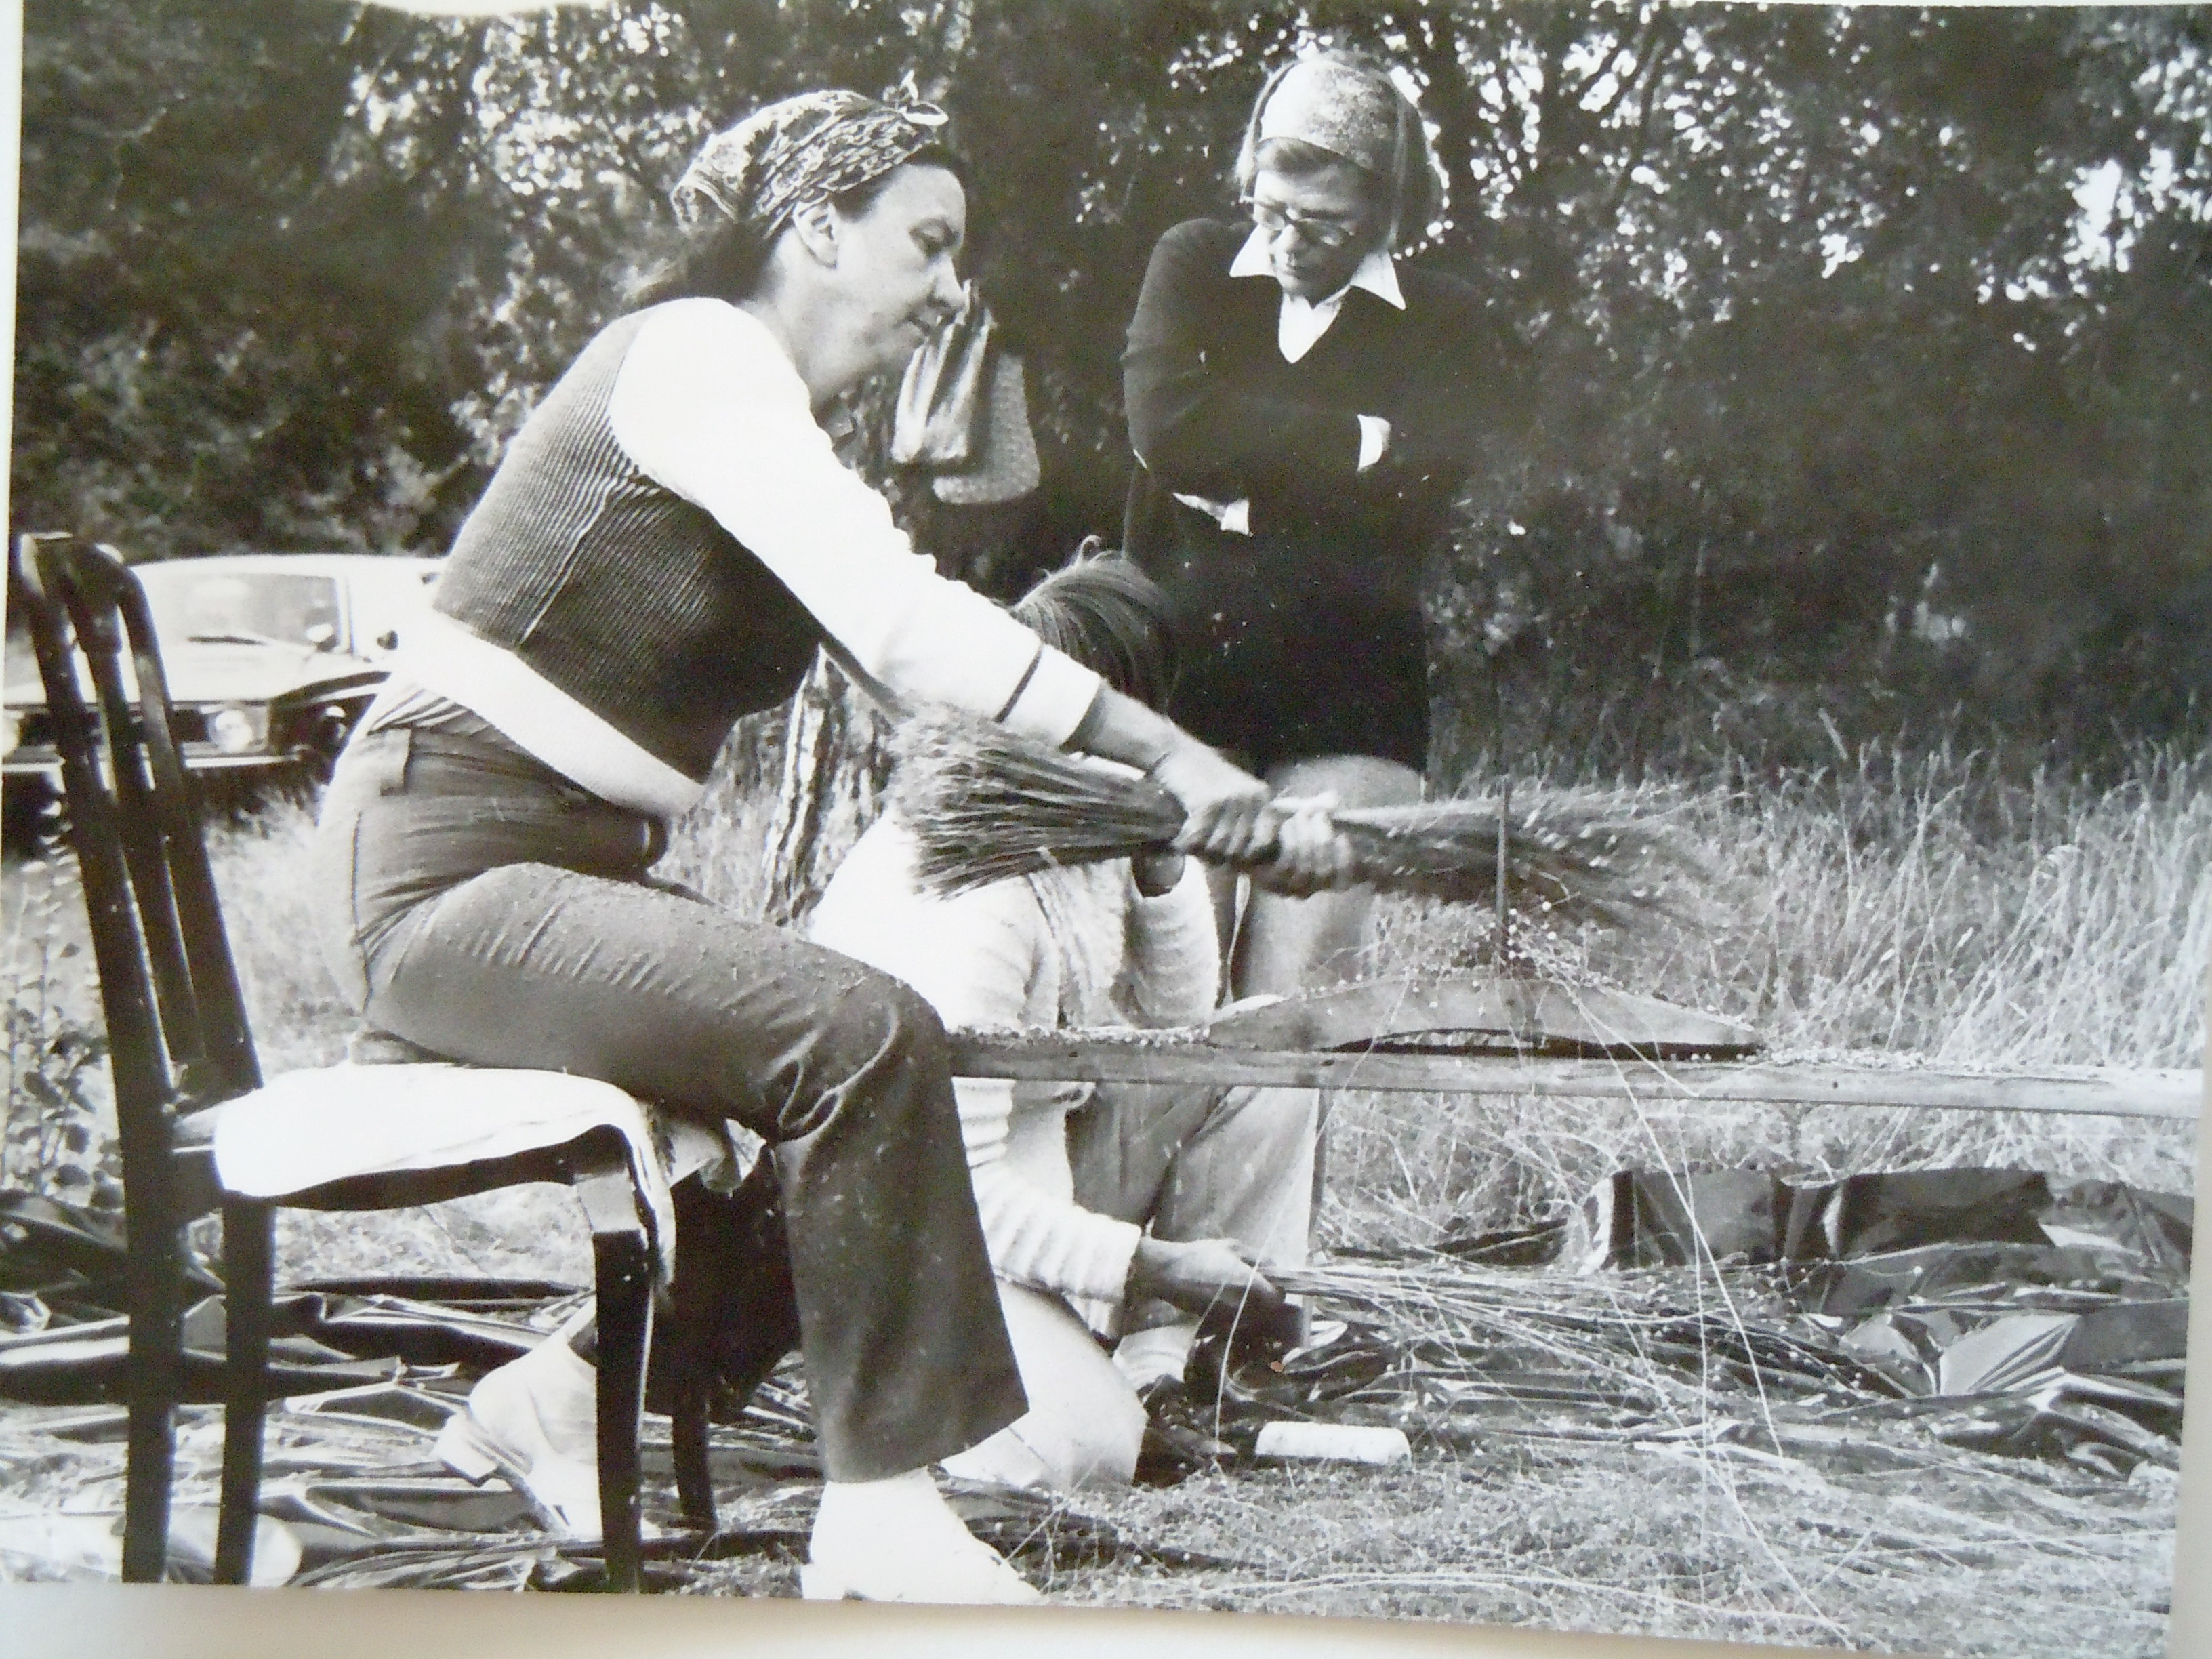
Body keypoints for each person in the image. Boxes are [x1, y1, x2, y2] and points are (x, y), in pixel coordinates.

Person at [308, 90, 1315, 1605]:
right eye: (927, 241)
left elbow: (925, 662)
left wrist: (1151, 823)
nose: (952, 290)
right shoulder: (697, 352)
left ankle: (563, 1400)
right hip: (443, 869)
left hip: (547, 874)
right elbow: (910, 634)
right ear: (815, 228)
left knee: (833, 1109)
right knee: (862, 1036)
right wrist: (1169, 750)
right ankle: (880, 1513)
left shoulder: (767, 417)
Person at [809, 552, 1311, 1492]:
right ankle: (1067, 1375)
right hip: (920, 1238)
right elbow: (953, 1192)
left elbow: (1180, 1035)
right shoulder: (980, 896)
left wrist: (1160, 868)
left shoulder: (1069, 824)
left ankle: (1158, 1371)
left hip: (1043, 1174)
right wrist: (1156, 1264)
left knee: (1263, 1053)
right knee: (1077, 1455)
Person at [1122, 51, 1502, 1254]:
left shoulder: (1447, 319)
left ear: (1385, 212)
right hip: (1180, 685)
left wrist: (1239, 483)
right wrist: (1356, 445)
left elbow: (1424, 491)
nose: (1289, 240)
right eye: (1273, 209)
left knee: (1291, 1021)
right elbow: (1165, 430)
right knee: (1168, 1004)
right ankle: (1119, 1273)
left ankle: (1242, 1296)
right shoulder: (1194, 262)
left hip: (1352, 695)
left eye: (1326, 224)